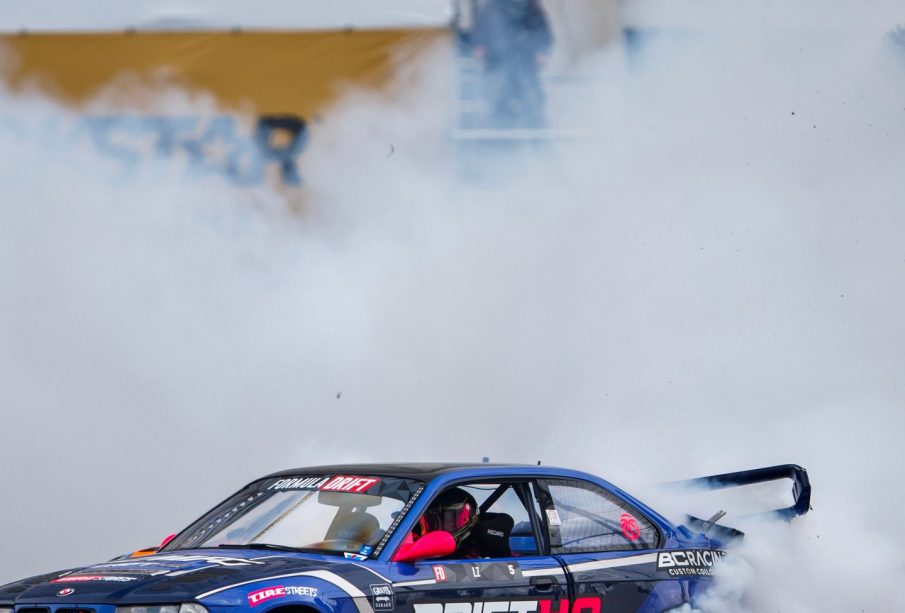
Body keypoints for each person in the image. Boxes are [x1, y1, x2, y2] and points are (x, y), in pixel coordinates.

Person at [471, 0, 553, 129]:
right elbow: (481, 30)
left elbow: (541, 30)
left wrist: (542, 51)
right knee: (496, 105)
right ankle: (499, 137)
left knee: (533, 104)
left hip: (525, 63)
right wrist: (480, 45)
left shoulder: (530, 5)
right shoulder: (491, 7)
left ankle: (537, 137)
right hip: (497, 63)